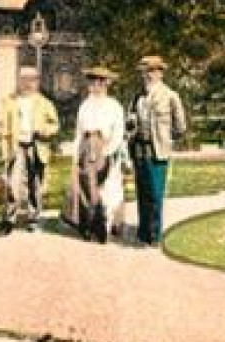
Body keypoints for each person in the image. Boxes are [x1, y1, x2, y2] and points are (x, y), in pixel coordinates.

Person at [129, 55, 187, 246]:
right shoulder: (137, 97)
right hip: (139, 149)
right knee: (142, 192)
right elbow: (130, 120)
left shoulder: (170, 96)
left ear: (160, 73)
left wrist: (166, 140)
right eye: (145, 72)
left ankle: (155, 235)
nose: (147, 76)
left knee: (155, 194)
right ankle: (143, 232)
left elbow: (180, 127)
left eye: (151, 71)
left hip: (158, 151)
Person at [66, 66, 126, 243]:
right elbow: (78, 132)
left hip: (104, 147)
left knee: (106, 187)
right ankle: (88, 225)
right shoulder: (85, 105)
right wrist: (76, 155)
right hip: (86, 146)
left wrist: (108, 152)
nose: (96, 86)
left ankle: (105, 225)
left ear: (107, 84)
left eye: (100, 82)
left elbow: (118, 133)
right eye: (93, 82)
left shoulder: (114, 106)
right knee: (86, 186)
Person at [0, 65, 59, 234]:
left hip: (36, 146)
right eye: (24, 79)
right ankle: (8, 220)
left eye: (32, 79)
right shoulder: (9, 101)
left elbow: (54, 125)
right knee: (12, 184)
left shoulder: (44, 103)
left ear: (37, 81)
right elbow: (0, 123)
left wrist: (43, 130)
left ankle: (34, 219)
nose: (28, 83)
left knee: (35, 184)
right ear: (18, 80)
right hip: (15, 147)